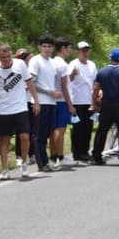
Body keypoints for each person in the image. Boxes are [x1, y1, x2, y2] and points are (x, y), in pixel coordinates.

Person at [0, 45, 40, 179]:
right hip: (4, 109)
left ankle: (24, 163)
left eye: (8, 56)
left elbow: (30, 83)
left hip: (20, 107)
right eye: (3, 57)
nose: (6, 59)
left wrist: (36, 101)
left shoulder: (20, 65)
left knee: (25, 136)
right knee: (4, 140)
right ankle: (4, 170)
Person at [28, 35, 60, 171]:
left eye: (49, 46)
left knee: (47, 132)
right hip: (40, 101)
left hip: (51, 102)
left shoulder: (53, 63)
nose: (47, 49)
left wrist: (54, 94)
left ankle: (45, 160)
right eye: (44, 46)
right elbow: (32, 82)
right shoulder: (35, 61)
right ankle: (42, 162)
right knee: (39, 134)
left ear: (53, 48)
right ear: (39, 47)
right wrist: (49, 92)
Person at [68, 41, 98, 163]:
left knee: (88, 127)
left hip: (89, 100)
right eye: (82, 50)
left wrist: (96, 98)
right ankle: (77, 152)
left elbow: (96, 81)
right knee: (77, 127)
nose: (85, 53)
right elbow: (67, 80)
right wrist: (73, 75)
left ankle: (85, 151)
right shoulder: (73, 64)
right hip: (77, 100)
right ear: (78, 52)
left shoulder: (92, 65)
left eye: (86, 50)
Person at [51, 37, 76, 166]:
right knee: (60, 129)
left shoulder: (51, 62)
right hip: (61, 101)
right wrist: (70, 105)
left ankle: (54, 156)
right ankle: (60, 157)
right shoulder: (63, 65)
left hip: (52, 100)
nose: (70, 50)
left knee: (54, 128)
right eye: (69, 48)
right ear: (63, 48)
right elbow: (64, 86)